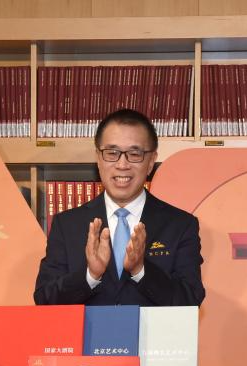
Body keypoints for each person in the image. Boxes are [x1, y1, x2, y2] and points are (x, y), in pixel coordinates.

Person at [34, 108, 204, 307]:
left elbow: (190, 300)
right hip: (90, 329)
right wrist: (90, 275)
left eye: (134, 154)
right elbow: (44, 299)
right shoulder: (67, 224)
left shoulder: (180, 225)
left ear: (151, 161)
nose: (122, 165)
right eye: (112, 153)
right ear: (98, 159)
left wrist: (141, 270)